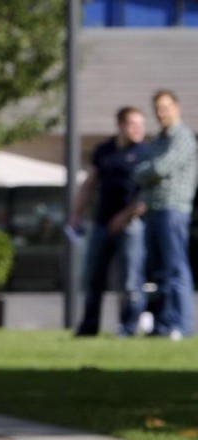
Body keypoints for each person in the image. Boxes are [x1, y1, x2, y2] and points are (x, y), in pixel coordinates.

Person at [115, 90, 198, 339]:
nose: (162, 113)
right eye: (158, 109)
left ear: (177, 107)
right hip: (153, 210)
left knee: (176, 269)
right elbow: (140, 171)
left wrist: (150, 172)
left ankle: (181, 325)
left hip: (174, 210)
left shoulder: (183, 137)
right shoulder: (157, 140)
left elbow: (160, 167)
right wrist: (151, 174)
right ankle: (163, 325)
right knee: (159, 273)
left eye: (166, 107)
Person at [70, 105, 149, 337]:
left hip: (132, 224)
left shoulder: (146, 152)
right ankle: (88, 327)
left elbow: (146, 196)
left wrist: (124, 217)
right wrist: (76, 213)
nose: (138, 129)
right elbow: (89, 183)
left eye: (141, 125)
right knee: (93, 277)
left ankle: (128, 327)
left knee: (130, 280)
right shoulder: (104, 150)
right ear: (121, 125)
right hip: (102, 221)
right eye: (133, 124)